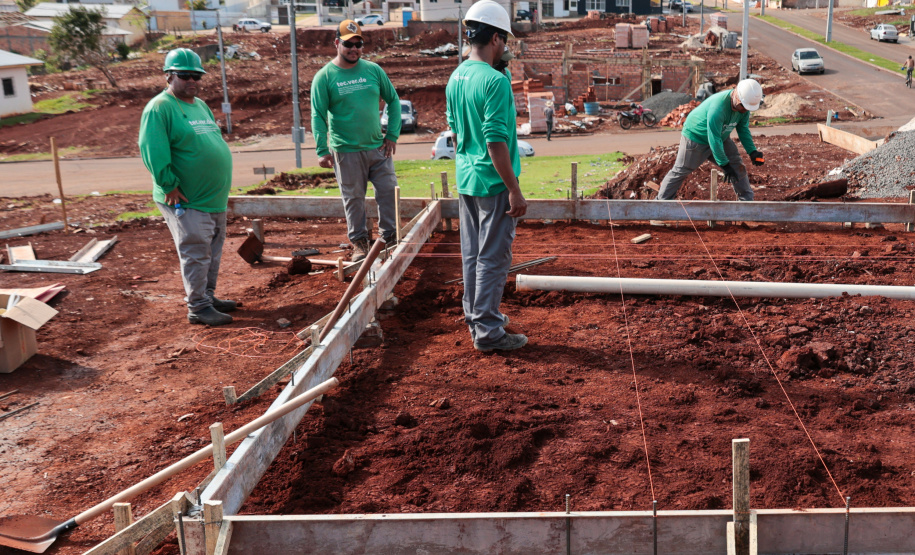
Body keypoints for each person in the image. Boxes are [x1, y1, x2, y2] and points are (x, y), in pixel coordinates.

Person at [446, 0, 528, 352]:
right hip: (493, 182)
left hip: (466, 178)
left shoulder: (457, 75)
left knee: (472, 254)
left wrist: (501, 71)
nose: (506, 47)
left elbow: (455, 132)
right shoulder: (493, 82)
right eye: (505, 41)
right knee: (493, 258)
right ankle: (488, 333)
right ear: (495, 38)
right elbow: (495, 141)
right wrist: (514, 189)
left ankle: (477, 316)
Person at [139, 48, 236, 326]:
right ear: (169, 75)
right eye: (185, 75)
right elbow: (152, 150)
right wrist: (168, 185)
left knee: (212, 250)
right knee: (195, 250)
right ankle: (198, 307)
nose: (192, 80)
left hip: (212, 197)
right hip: (186, 199)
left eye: (197, 75)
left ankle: (206, 295)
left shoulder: (199, 104)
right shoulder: (160, 107)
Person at [311, 20, 401, 262]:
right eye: (349, 43)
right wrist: (322, 149)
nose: (354, 48)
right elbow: (318, 115)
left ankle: (389, 238)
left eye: (358, 44)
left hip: (377, 147)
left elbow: (393, 100)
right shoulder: (324, 77)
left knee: (388, 192)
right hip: (346, 151)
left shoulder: (373, 70)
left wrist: (391, 134)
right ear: (337, 43)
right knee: (353, 199)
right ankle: (360, 243)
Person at [657, 78, 764, 202]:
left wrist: (752, 151)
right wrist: (724, 164)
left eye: (746, 108)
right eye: (742, 107)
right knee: (680, 170)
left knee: (737, 165)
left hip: (720, 136)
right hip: (696, 137)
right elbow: (714, 138)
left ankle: (747, 203)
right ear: (736, 95)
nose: (743, 110)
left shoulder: (744, 106)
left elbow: (743, 129)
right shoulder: (718, 108)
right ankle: (659, 206)